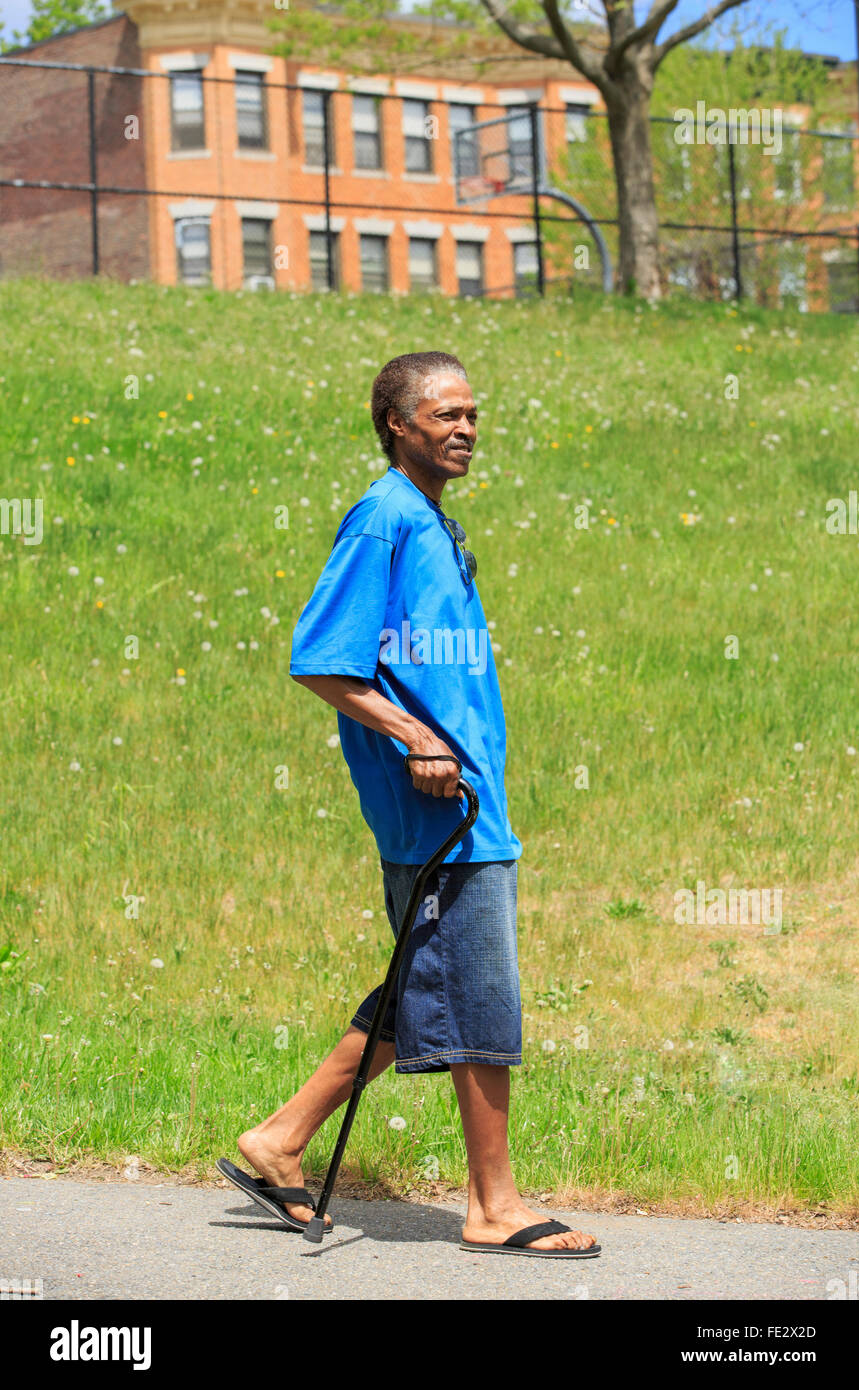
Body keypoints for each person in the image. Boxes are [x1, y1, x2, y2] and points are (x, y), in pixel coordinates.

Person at [217, 351, 600, 1258]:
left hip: (473, 803)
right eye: (446, 414)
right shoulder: (383, 518)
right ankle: (493, 1206)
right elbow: (321, 659)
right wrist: (415, 738)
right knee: (477, 996)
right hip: (437, 812)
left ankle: (279, 1140)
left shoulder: (431, 522)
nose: (465, 428)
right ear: (399, 423)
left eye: (473, 413)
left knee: (426, 989)